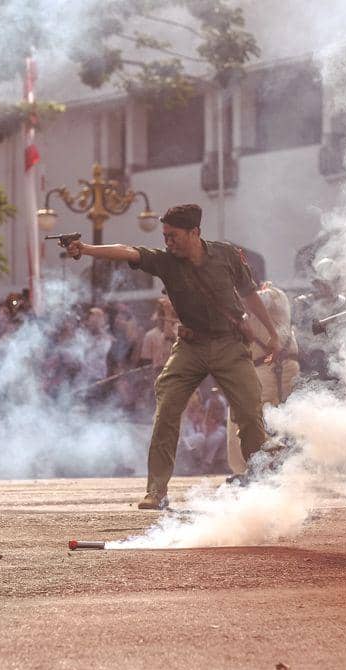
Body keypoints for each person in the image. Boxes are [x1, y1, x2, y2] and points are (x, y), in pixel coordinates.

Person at [66, 203, 281, 509]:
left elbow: (249, 296)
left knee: (248, 414)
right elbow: (126, 250)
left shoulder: (228, 256)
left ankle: (262, 483)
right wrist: (85, 248)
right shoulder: (165, 262)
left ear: (195, 233)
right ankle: (156, 491)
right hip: (190, 347)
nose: (168, 242)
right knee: (166, 411)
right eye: (165, 235)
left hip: (229, 346)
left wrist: (271, 334)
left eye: (174, 235)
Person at [226, 281, 300, 477]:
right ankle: (266, 466)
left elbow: (250, 300)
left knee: (240, 415)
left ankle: (245, 470)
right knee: (270, 421)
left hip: (271, 368)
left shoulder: (274, 294)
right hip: (266, 368)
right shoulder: (244, 313)